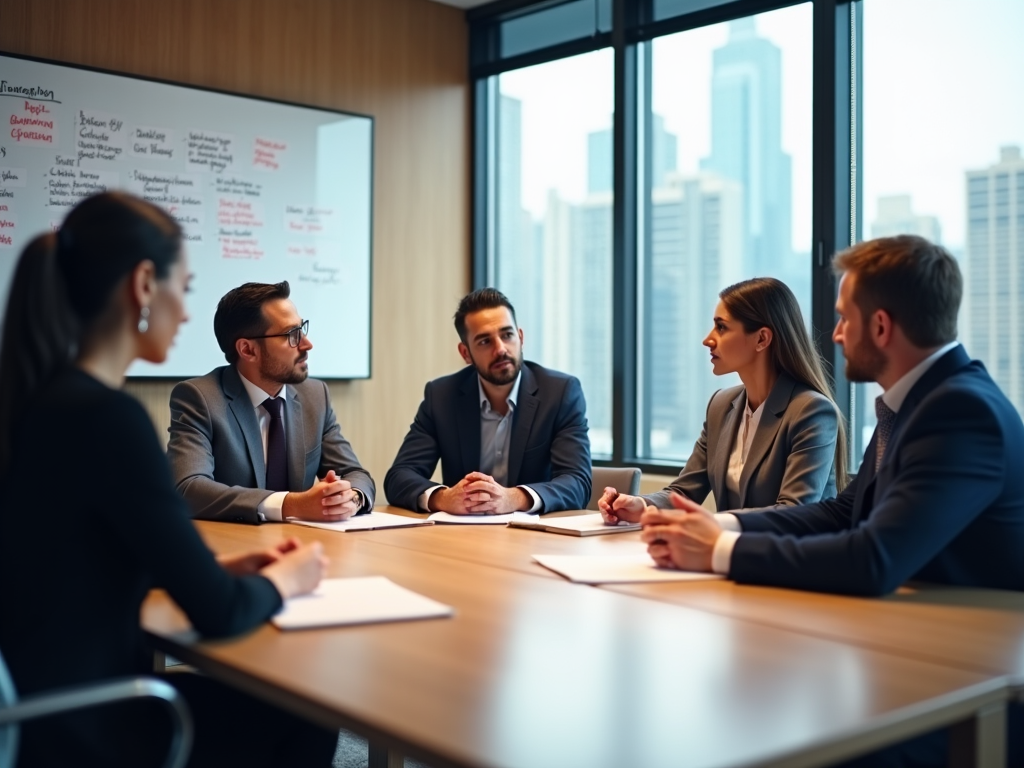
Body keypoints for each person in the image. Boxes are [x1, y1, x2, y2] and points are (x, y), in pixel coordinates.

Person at [639, 237, 1024, 766]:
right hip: (910, 645)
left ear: (882, 327)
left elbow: (873, 558)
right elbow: (845, 511)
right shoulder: (914, 402)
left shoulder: (959, 411)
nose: (836, 335)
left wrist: (719, 553)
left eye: (845, 318)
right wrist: (724, 527)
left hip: (967, 682)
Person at [0, 192, 338, 767]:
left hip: (40, 695)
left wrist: (218, 566)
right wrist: (291, 579)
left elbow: (77, 561)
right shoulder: (108, 419)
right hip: (90, 722)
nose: (184, 312)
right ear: (142, 286)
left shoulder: (40, 401)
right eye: (183, 287)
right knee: (307, 713)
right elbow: (219, 613)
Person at [600, 277, 847, 524]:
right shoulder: (721, 405)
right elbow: (684, 491)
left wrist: (713, 523)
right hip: (734, 555)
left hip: (793, 559)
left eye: (721, 327)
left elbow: (793, 511)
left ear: (762, 339)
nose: (708, 339)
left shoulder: (812, 411)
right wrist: (640, 505)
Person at [167, 280, 374, 524]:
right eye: (291, 335)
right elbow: (188, 488)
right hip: (234, 547)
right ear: (248, 350)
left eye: (302, 329)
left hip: (304, 545)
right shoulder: (199, 398)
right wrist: (291, 504)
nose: (307, 345)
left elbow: (355, 474)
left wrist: (350, 498)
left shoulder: (315, 395)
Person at [384, 288, 591, 514]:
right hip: (465, 537)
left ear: (520, 338)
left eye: (507, 335)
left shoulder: (560, 393)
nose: (500, 349)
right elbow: (399, 476)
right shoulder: (442, 397)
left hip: (535, 538)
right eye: (484, 341)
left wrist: (514, 497)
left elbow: (577, 483)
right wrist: (443, 498)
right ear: (466, 353)